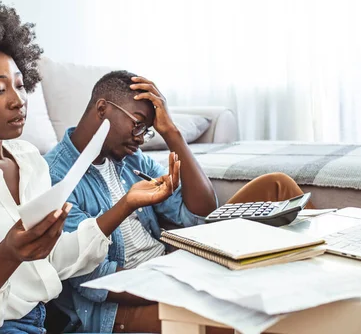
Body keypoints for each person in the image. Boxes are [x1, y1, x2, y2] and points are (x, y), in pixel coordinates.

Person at [0, 1, 181, 334]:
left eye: (20, 85)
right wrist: (7, 253)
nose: (18, 99)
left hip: (45, 320)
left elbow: (55, 261)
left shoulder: (29, 159)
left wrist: (126, 204)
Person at [44, 70, 307, 333]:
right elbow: (94, 280)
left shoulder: (130, 159)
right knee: (233, 317)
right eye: (137, 124)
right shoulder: (55, 177)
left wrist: (171, 133)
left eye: (146, 131)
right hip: (122, 306)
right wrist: (182, 282)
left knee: (277, 186)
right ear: (102, 108)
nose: (139, 138)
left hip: (172, 266)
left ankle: (323, 284)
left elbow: (201, 215)